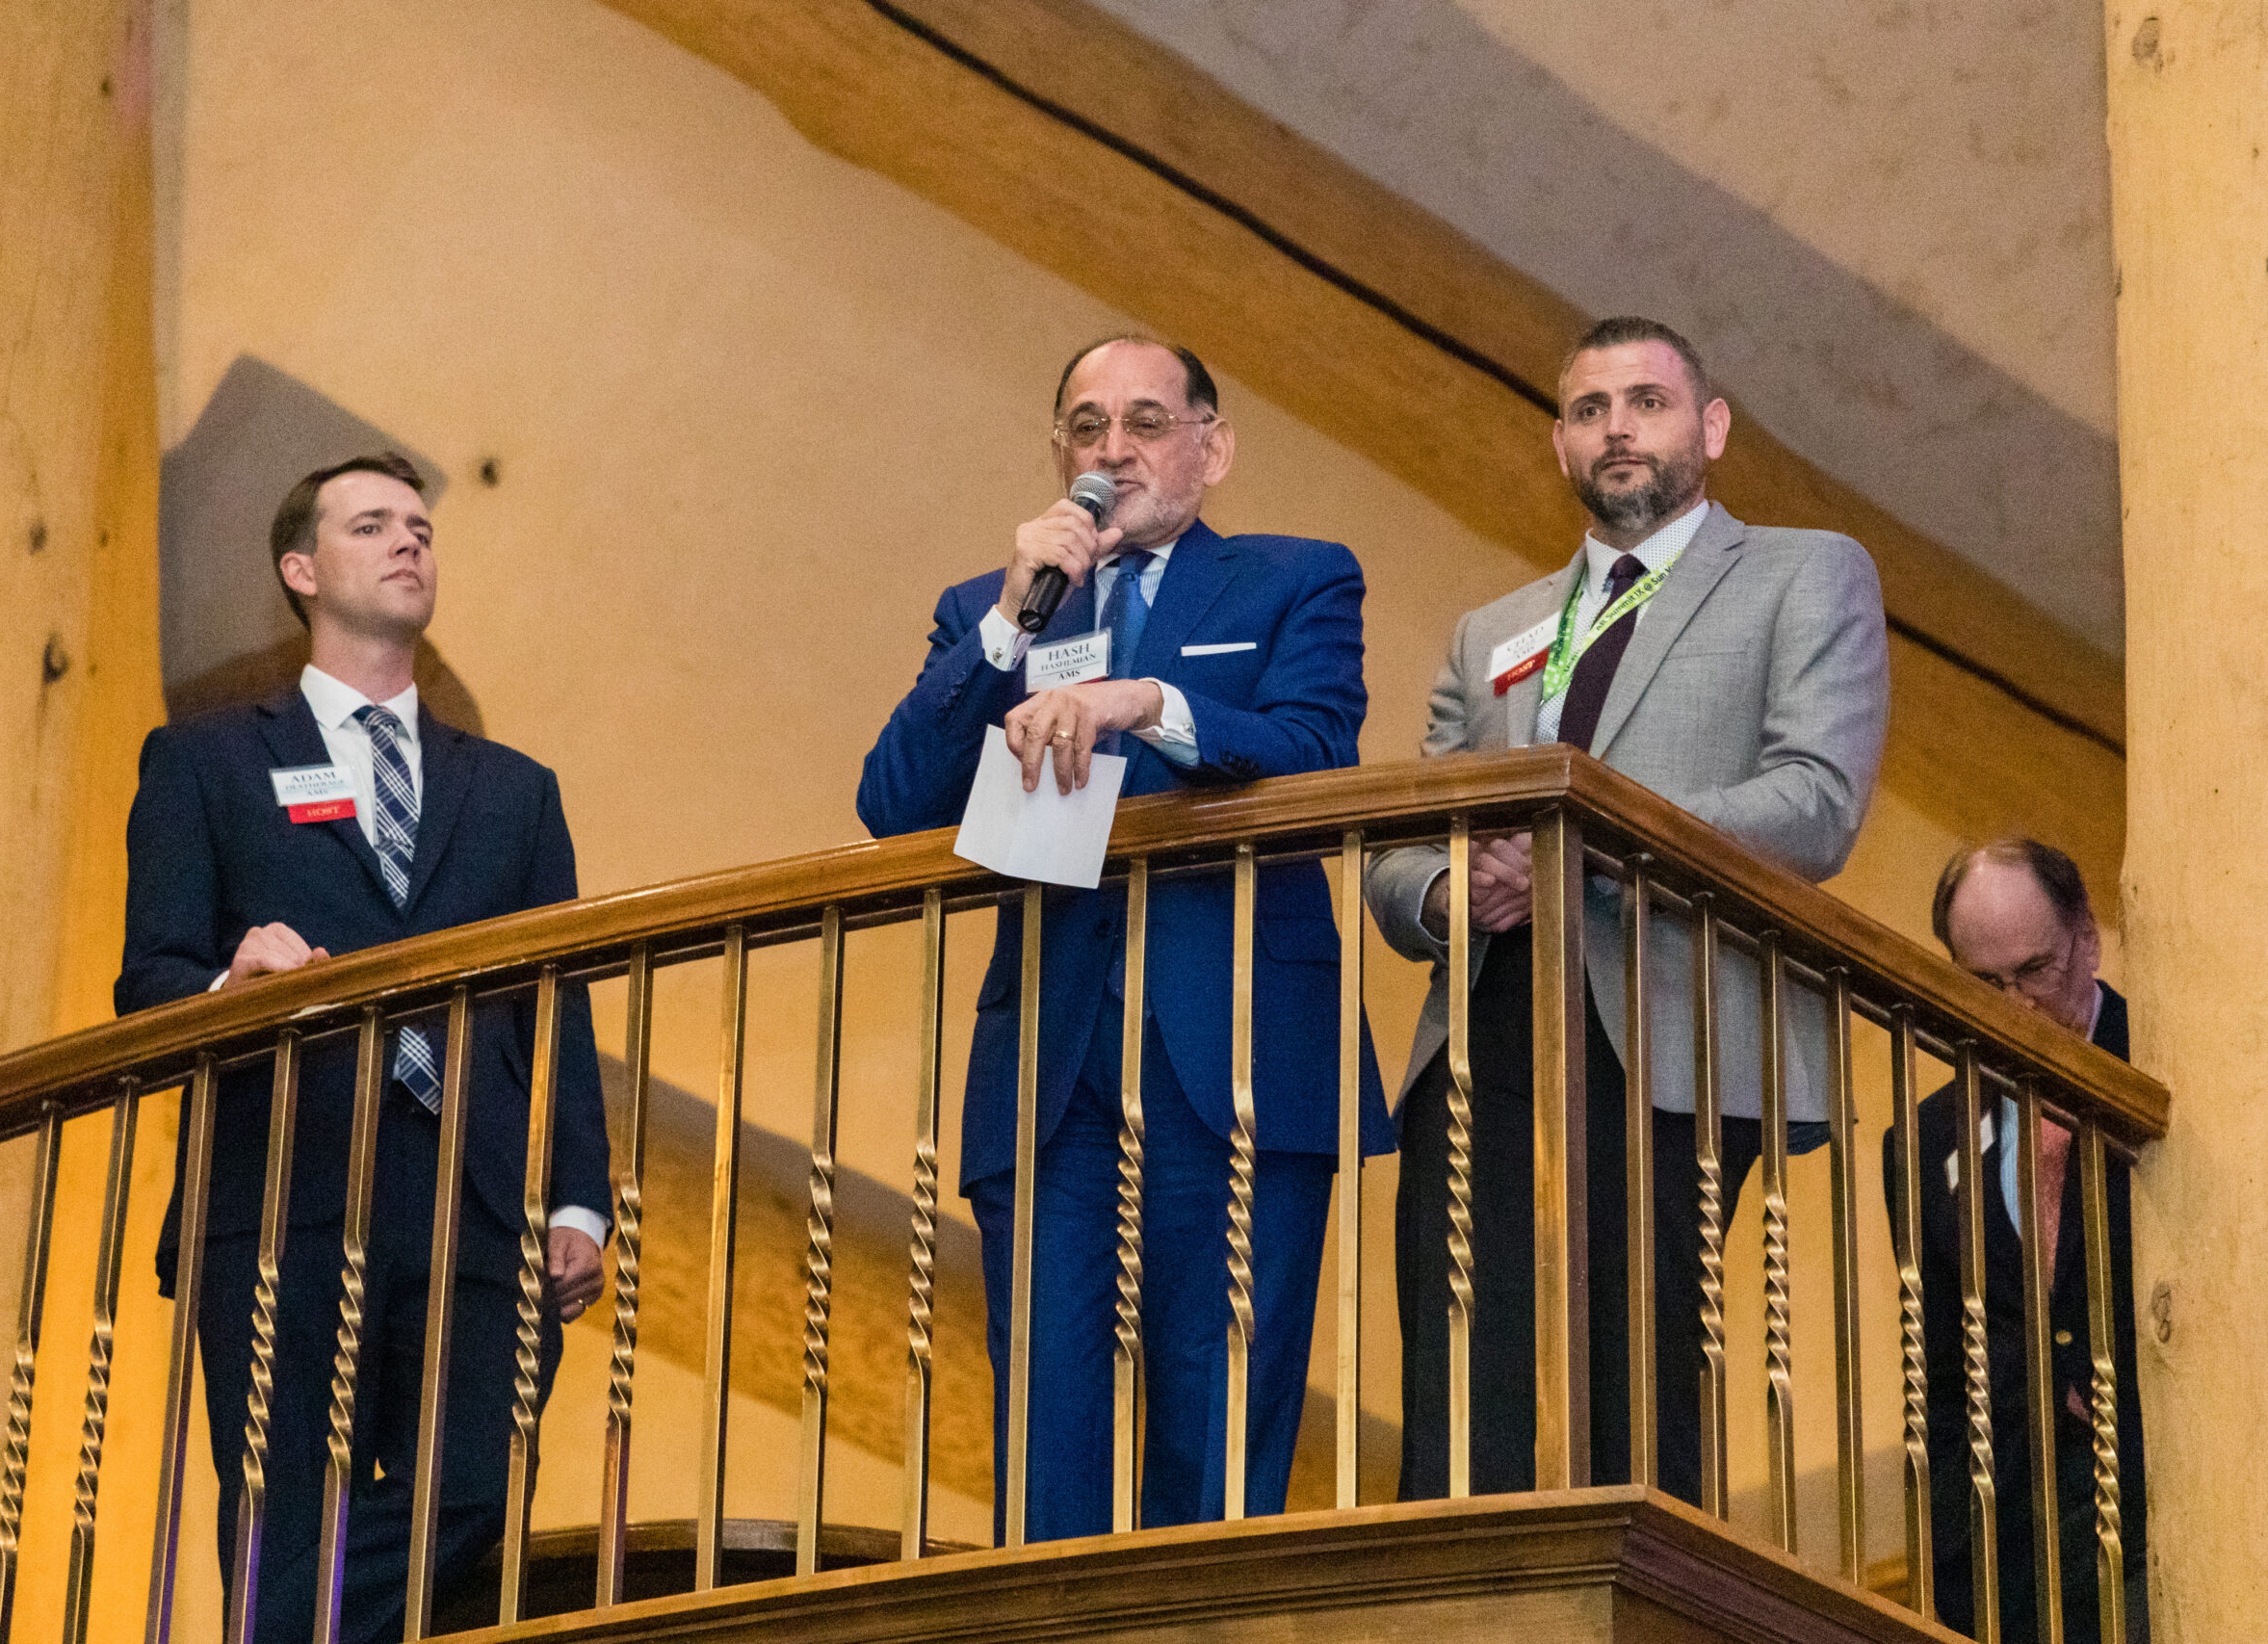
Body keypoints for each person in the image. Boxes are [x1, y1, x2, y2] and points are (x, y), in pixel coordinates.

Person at [857, 336, 1392, 1540]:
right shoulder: (989, 608)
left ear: (1213, 447)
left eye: (1146, 422)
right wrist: (1007, 622)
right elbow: (894, 804)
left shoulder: (1295, 577)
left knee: (1219, 1427)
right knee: (1047, 1428)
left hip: (1240, 1053)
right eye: (1087, 426)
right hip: (1054, 1072)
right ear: (1058, 452)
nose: (1114, 450)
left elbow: (1316, 748)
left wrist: (1146, 704)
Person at [1367, 316, 1890, 1501]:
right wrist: (1453, 888)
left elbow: (1813, 802)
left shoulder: (1805, 571)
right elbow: (1405, 847)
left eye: (1647, 402)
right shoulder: (1490, 630)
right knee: (1461, 1371)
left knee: (1633, 1377)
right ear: (1559, 444)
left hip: (1668, 1028)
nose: (1617, 429)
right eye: (1590, 408)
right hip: (1488, 1026)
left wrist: (1584, 849)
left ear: (1711, 428)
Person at [116, 455, 611, 1643]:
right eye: (373, 524)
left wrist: (581, 1202)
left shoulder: (516, 792)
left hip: (473, 1199)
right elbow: (148, 985)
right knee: (281, 1511)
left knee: (480, 1493)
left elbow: (560, 1010)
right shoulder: (205, 760)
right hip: (281, 1190)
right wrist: (232, 983)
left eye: (421, 528)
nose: (409, 542)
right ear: (301, 569)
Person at [1887, 840, 2149, 1644]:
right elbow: (1937, 1374)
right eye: (1985, 983)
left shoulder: (2174, 1066)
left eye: (2036, 970)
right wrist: (1951, 1563)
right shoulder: (1925, 1140)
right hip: (2015, 1560)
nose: (2016, 1006)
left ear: (2087, 939)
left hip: (2161, 1517)